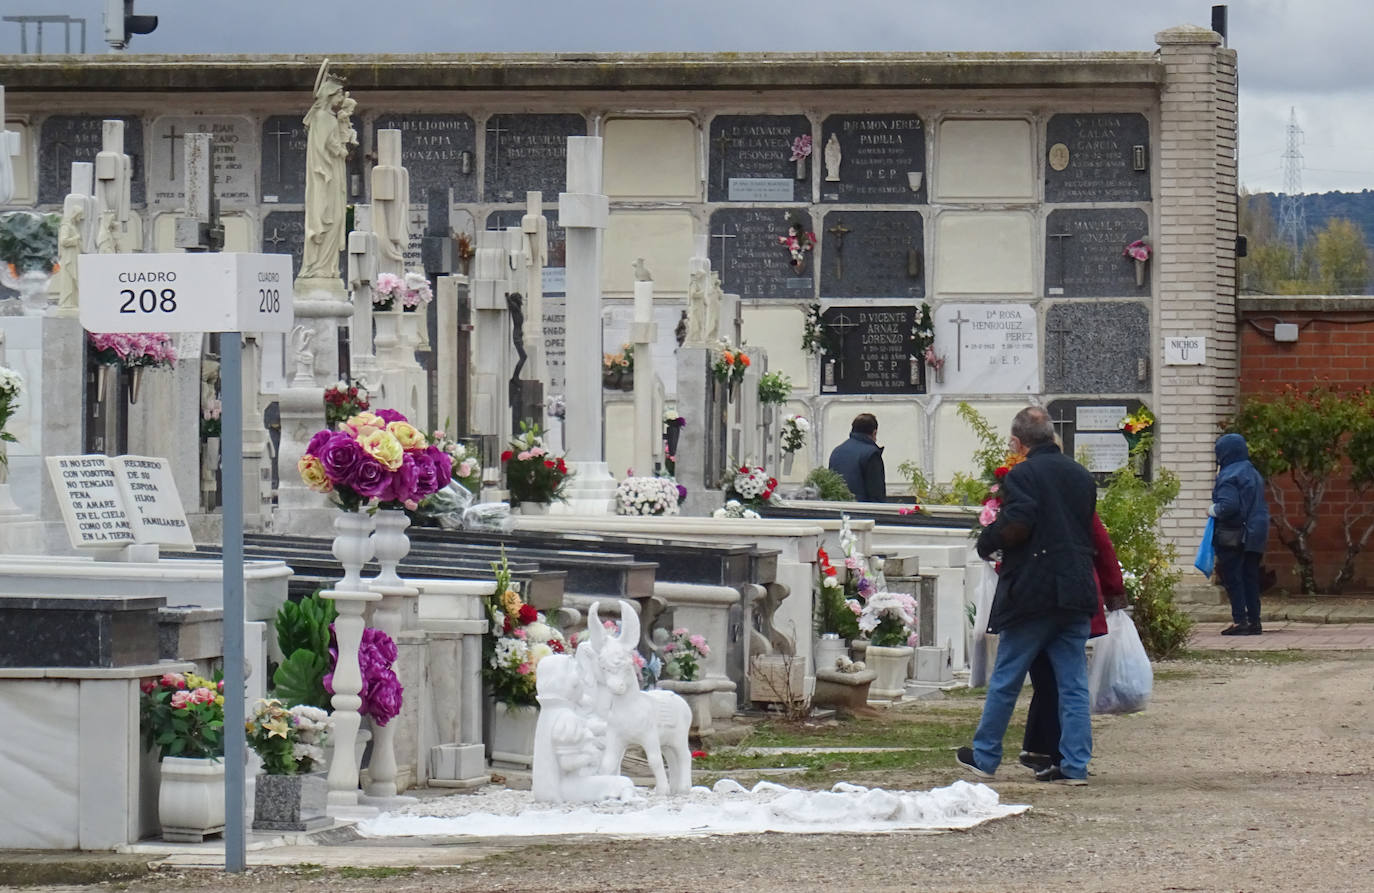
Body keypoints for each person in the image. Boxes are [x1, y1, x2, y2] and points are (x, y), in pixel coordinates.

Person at [956, 406, 1098, 785]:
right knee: (1072, 683)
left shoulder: (1023, 474)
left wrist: (989, 541)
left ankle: (985, 755)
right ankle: (1075, 765)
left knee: (1007, 676)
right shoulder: (1081, 476)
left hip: (1034, 589)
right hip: (1076, 587)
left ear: (1018, 444)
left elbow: (1019, 523)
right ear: (1052, 436)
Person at [1019, 512, 1126, 774]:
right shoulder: (1076, 500)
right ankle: (1058, 756)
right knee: (1066, 682)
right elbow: (1102, 546)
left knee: (1047, 678)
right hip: (1074, 597)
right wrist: (1114, 589)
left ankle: (1046, 751)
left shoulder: (1028, 499)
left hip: (1033, 596)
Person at [1211, 433, 1270, 636]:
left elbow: (1229, 506)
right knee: (1250, 577)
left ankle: (1240, 621)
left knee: (1234, 577)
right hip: (1256, 533)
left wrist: (1213, 510)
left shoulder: (1229, 475)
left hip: (1235, 534)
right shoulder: (1252, 472)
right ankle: (1254, 621)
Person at [827, 413, 886, 502]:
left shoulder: (837, 451)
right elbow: (876, 493)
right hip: (862, 511)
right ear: (874, 432)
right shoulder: (871, 454)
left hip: (839, 510)